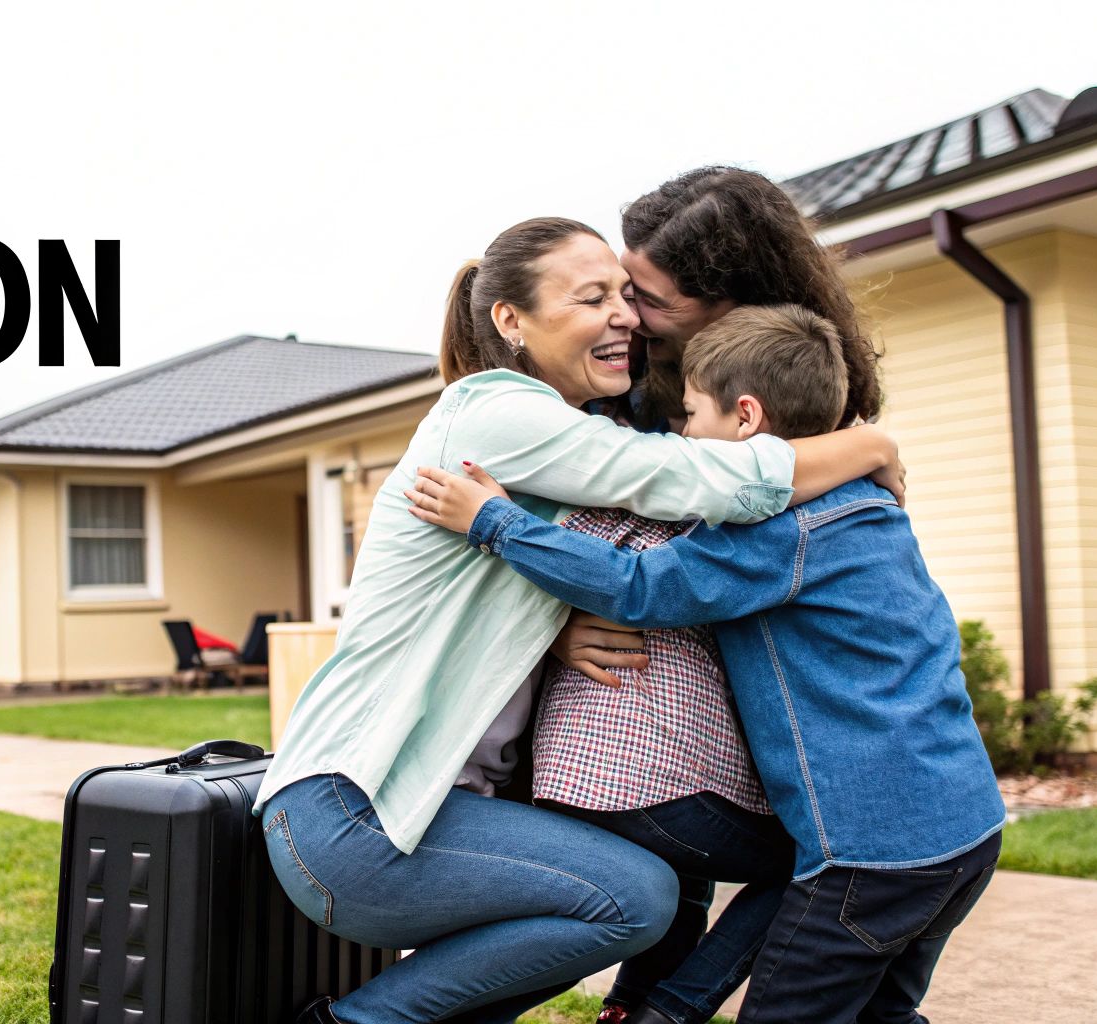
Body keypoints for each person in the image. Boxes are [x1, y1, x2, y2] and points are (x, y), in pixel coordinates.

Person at [252, 216, 902, 1024]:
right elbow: (692, 477)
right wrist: (866, 447)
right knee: (634, 895)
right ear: (511, 322)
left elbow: (474, 599)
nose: (624, 314)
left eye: (625, 295)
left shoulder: (556, 439)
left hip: (396, 813)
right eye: (592, 297)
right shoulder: (497, 411)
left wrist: (550, 635)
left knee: (600, 901)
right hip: (354, 813)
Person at [409, 303, 1007, 1024]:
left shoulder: (774, 530)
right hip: (966, 830)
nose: (685, 435)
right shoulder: (868, 506)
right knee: (883, 1015)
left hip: (868, 855)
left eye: (691, 416)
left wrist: (494, 522)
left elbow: (640, 587)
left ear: (747, 419)